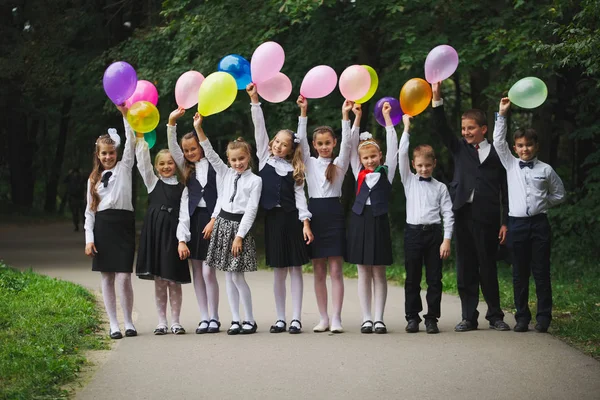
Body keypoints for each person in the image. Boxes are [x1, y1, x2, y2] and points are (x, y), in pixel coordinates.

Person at [431, 82, 510, 332]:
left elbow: (507, 190)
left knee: (487, 266)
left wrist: (505, 220)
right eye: (464, 128)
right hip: (462, 214)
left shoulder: (498, 152)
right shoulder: (459, 148)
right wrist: (437, 98)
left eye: (471, 128)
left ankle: (495, 315)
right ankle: (468, 316)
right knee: (465, 267)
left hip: (487, 217)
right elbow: (442, 128)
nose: (466, 132)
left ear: (484, 129)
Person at [493, 97, 565, 333]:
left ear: (536, 146)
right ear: (515, 148)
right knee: (519, 272)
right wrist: (502, 115)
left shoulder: (546, 169)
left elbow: (559, 194)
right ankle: (522, 317)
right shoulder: (511, 164)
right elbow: (497, 141)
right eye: (521, 145)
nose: (525, 149)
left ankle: (544, 317)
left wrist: (542, 204)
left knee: (542, 272)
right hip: (517, 225)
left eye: (529, 145)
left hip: (539, 224)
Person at [247, 83, 314, 334]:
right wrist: (255, 100)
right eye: (276, 141)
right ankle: (280, 318)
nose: (278, 145)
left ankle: (296, 318)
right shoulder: (264, 159)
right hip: (273, 221)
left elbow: (300, 197)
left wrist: (306, 222)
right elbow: (259, 128)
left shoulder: (294, 170)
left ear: (291, 149)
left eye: (284, 144)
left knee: (295, 268)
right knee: (278, 271)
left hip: (292, 220)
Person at [194, 113, 262, 335]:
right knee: (227, 276)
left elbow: (251, 210)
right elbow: (210, 153)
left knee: (237, 276)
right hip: (223, 225)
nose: (237, 163)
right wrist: (198, 128)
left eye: (241, 159)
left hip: (238, 229)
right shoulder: (225, 173)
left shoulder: (255, 181)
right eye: (233, 160)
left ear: (248, 156)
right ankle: (235, 319)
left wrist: (240, 236)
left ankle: (249, 320)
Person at [295, 96, 356, 334]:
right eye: (319, 143)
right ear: (314, 144)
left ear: (334, 142)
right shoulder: (309, 162)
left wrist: (345, 116)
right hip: (315, 216)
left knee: (336, 270)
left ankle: (337, 318)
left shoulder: (340, 164)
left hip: (334, 214)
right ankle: (323, 318)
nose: (323, 147)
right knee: (318, 270)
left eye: (327, 143)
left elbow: (349, 144)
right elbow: (300, 142)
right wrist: (303, 112)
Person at [84, 104, 136, 340]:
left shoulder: (125, 168)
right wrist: (89, 239)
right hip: (103, 226)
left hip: (123, 224)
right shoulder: (93, 179)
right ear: (98, 155)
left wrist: (125, 115)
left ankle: (129, 321)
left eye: (111, 152)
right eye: (104, 153)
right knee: (107, 276)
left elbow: (132, 139)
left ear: (117, 152)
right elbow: (89, 212)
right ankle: (113, 324)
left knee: (124, 276)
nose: (108, 157)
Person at [398, 113, 454, 334]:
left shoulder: (440, 187)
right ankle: (412, 317)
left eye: (427, 166)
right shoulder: (408, 180)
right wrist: (406, 129)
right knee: (412, 278)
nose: (423, 169)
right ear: (413, 165)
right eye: (419, 165)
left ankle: (432, 318)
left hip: (434, 235)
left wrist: (447, 240)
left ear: (434, 164)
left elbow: (448, 213)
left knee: (434, 279)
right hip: (412, 234)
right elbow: (401, 153)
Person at [167, 108, 221, 334]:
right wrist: (172, 122)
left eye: (193, 148)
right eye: (186, 150)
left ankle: (215, 316)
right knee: (197, 271)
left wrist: (199, 128)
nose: (190, 152)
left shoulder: (214, 164)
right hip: (193, 220)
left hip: (212, 219)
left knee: (209, 271)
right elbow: (173, 148)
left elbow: (207, 147)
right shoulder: (185, 167)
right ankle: (204, 316)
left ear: (200, 146)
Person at [347, 102, 398, 334]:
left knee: (378, 271)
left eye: (373, 156)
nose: (370, 161)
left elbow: (395, 148)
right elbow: (349, 145)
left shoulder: (387, 171)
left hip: (378, 220)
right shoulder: (358, 171)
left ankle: (379, 318)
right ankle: (366, 318)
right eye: (365, 158)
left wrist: (388, 120)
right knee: (362, 271)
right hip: (359, 220)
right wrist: (356, 117)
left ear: (380, 155)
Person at [135, 137, 191, 335]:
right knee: (159, 280)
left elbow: (184, 216)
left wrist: (182, 241)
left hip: (174, 238)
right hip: (155, 236)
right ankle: (161, 322)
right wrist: (140, 139)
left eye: (170, 163)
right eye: (162, 163)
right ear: (156, 166)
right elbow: (142, 162)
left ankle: (175, 321)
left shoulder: (183, 189)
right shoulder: (152, 183)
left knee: (173, 280)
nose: (166, 166)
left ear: (176, 165)